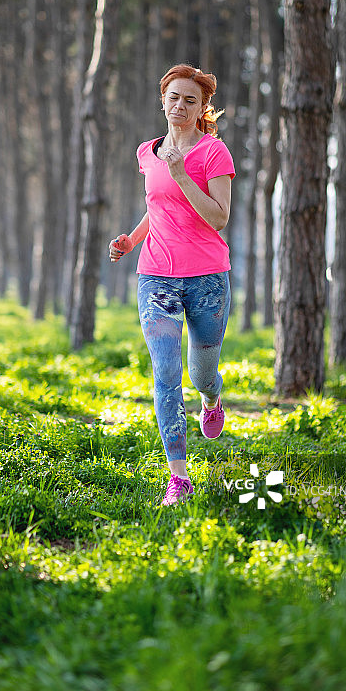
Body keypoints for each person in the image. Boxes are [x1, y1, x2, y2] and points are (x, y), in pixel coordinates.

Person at [109, 63, 235, 506]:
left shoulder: (213, 154)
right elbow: (157, 208)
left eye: (191, 100)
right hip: (156, 277)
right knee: (165, 373)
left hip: (207, 279)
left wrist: (182, 173)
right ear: (162, 101)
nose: (181, 105)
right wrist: (131, 239)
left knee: (200, 373)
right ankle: (178, 478)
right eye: (174, 98)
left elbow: (219, 217)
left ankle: (212, 400)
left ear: (202, 108)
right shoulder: (147, 151)